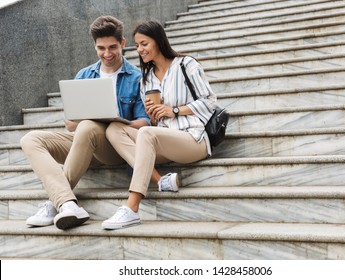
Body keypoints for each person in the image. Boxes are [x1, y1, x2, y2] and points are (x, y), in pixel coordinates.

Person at [20, 15, 150, 230]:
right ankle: (67, 203)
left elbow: (144, 122)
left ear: (123, 44)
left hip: (113, 148)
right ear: (94, 46)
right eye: (101, 48)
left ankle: (55, 202)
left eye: (112, 47)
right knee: (30, 139)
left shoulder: (137, 77)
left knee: (90, 126)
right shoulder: (84, 75)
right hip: (82, 142)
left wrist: (114, 123)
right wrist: (80, 120)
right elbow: (70, 124)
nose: (107, 54)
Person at [102, 19, 217, 230]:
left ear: (158, 40)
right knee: (115, 129)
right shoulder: (146, 80)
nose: (140, 50)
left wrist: (173, 110)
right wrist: (153, 114)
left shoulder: (186, 65)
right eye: (137, 46)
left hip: (193, 138)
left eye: (144, 43)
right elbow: (154, 122)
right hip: (162, 138)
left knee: (146, 133)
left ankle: (132, 208)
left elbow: (210, 101)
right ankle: (161, 181)